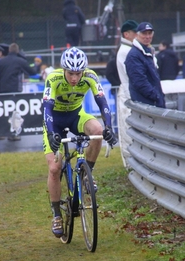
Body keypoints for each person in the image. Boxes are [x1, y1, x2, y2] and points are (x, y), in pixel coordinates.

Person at [42, 47, 117, 238]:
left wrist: (109, 127)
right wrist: (51, 134)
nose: (74, 78)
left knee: (98, 131)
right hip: (54, 121)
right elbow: (47, 108)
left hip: (76, 115)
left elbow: (102, 102)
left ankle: (86, 175)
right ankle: (57, 214)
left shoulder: (90, 76)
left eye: (78, 73)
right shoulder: (53, 78)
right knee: (54, 168)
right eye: (70, 73)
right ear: (64, 70)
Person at [125, 22, 165, 108]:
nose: (147, 36)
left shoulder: (148, 52)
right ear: (137, 35)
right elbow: (139, 81)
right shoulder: (134, 55)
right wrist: (156, 97)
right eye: (144, 33)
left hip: (152, 104)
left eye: (149, 33)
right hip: (146, 106)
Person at [116, 20, 138, 169]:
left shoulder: (129, 48)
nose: (138, 35)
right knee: (128, 130)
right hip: (127, 94)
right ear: (126, 34)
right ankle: (130, 166)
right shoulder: (125, 50)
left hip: (129, 93)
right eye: (135, 32)